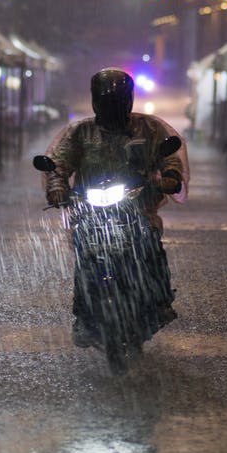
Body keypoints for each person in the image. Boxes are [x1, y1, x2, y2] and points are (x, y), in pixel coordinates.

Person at [42, 67, 189, 348]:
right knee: (85, 254)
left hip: (138, 207)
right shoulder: (80, 132)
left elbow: (168, 160)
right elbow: (59, 163)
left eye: (117, 101)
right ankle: (84, 316)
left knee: (150, 244)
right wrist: (57, 185)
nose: (112, 108)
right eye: (106, 102)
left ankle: (159, 302)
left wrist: (169, 178)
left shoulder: (150, 129)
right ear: (95, 101)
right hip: (90, 209)